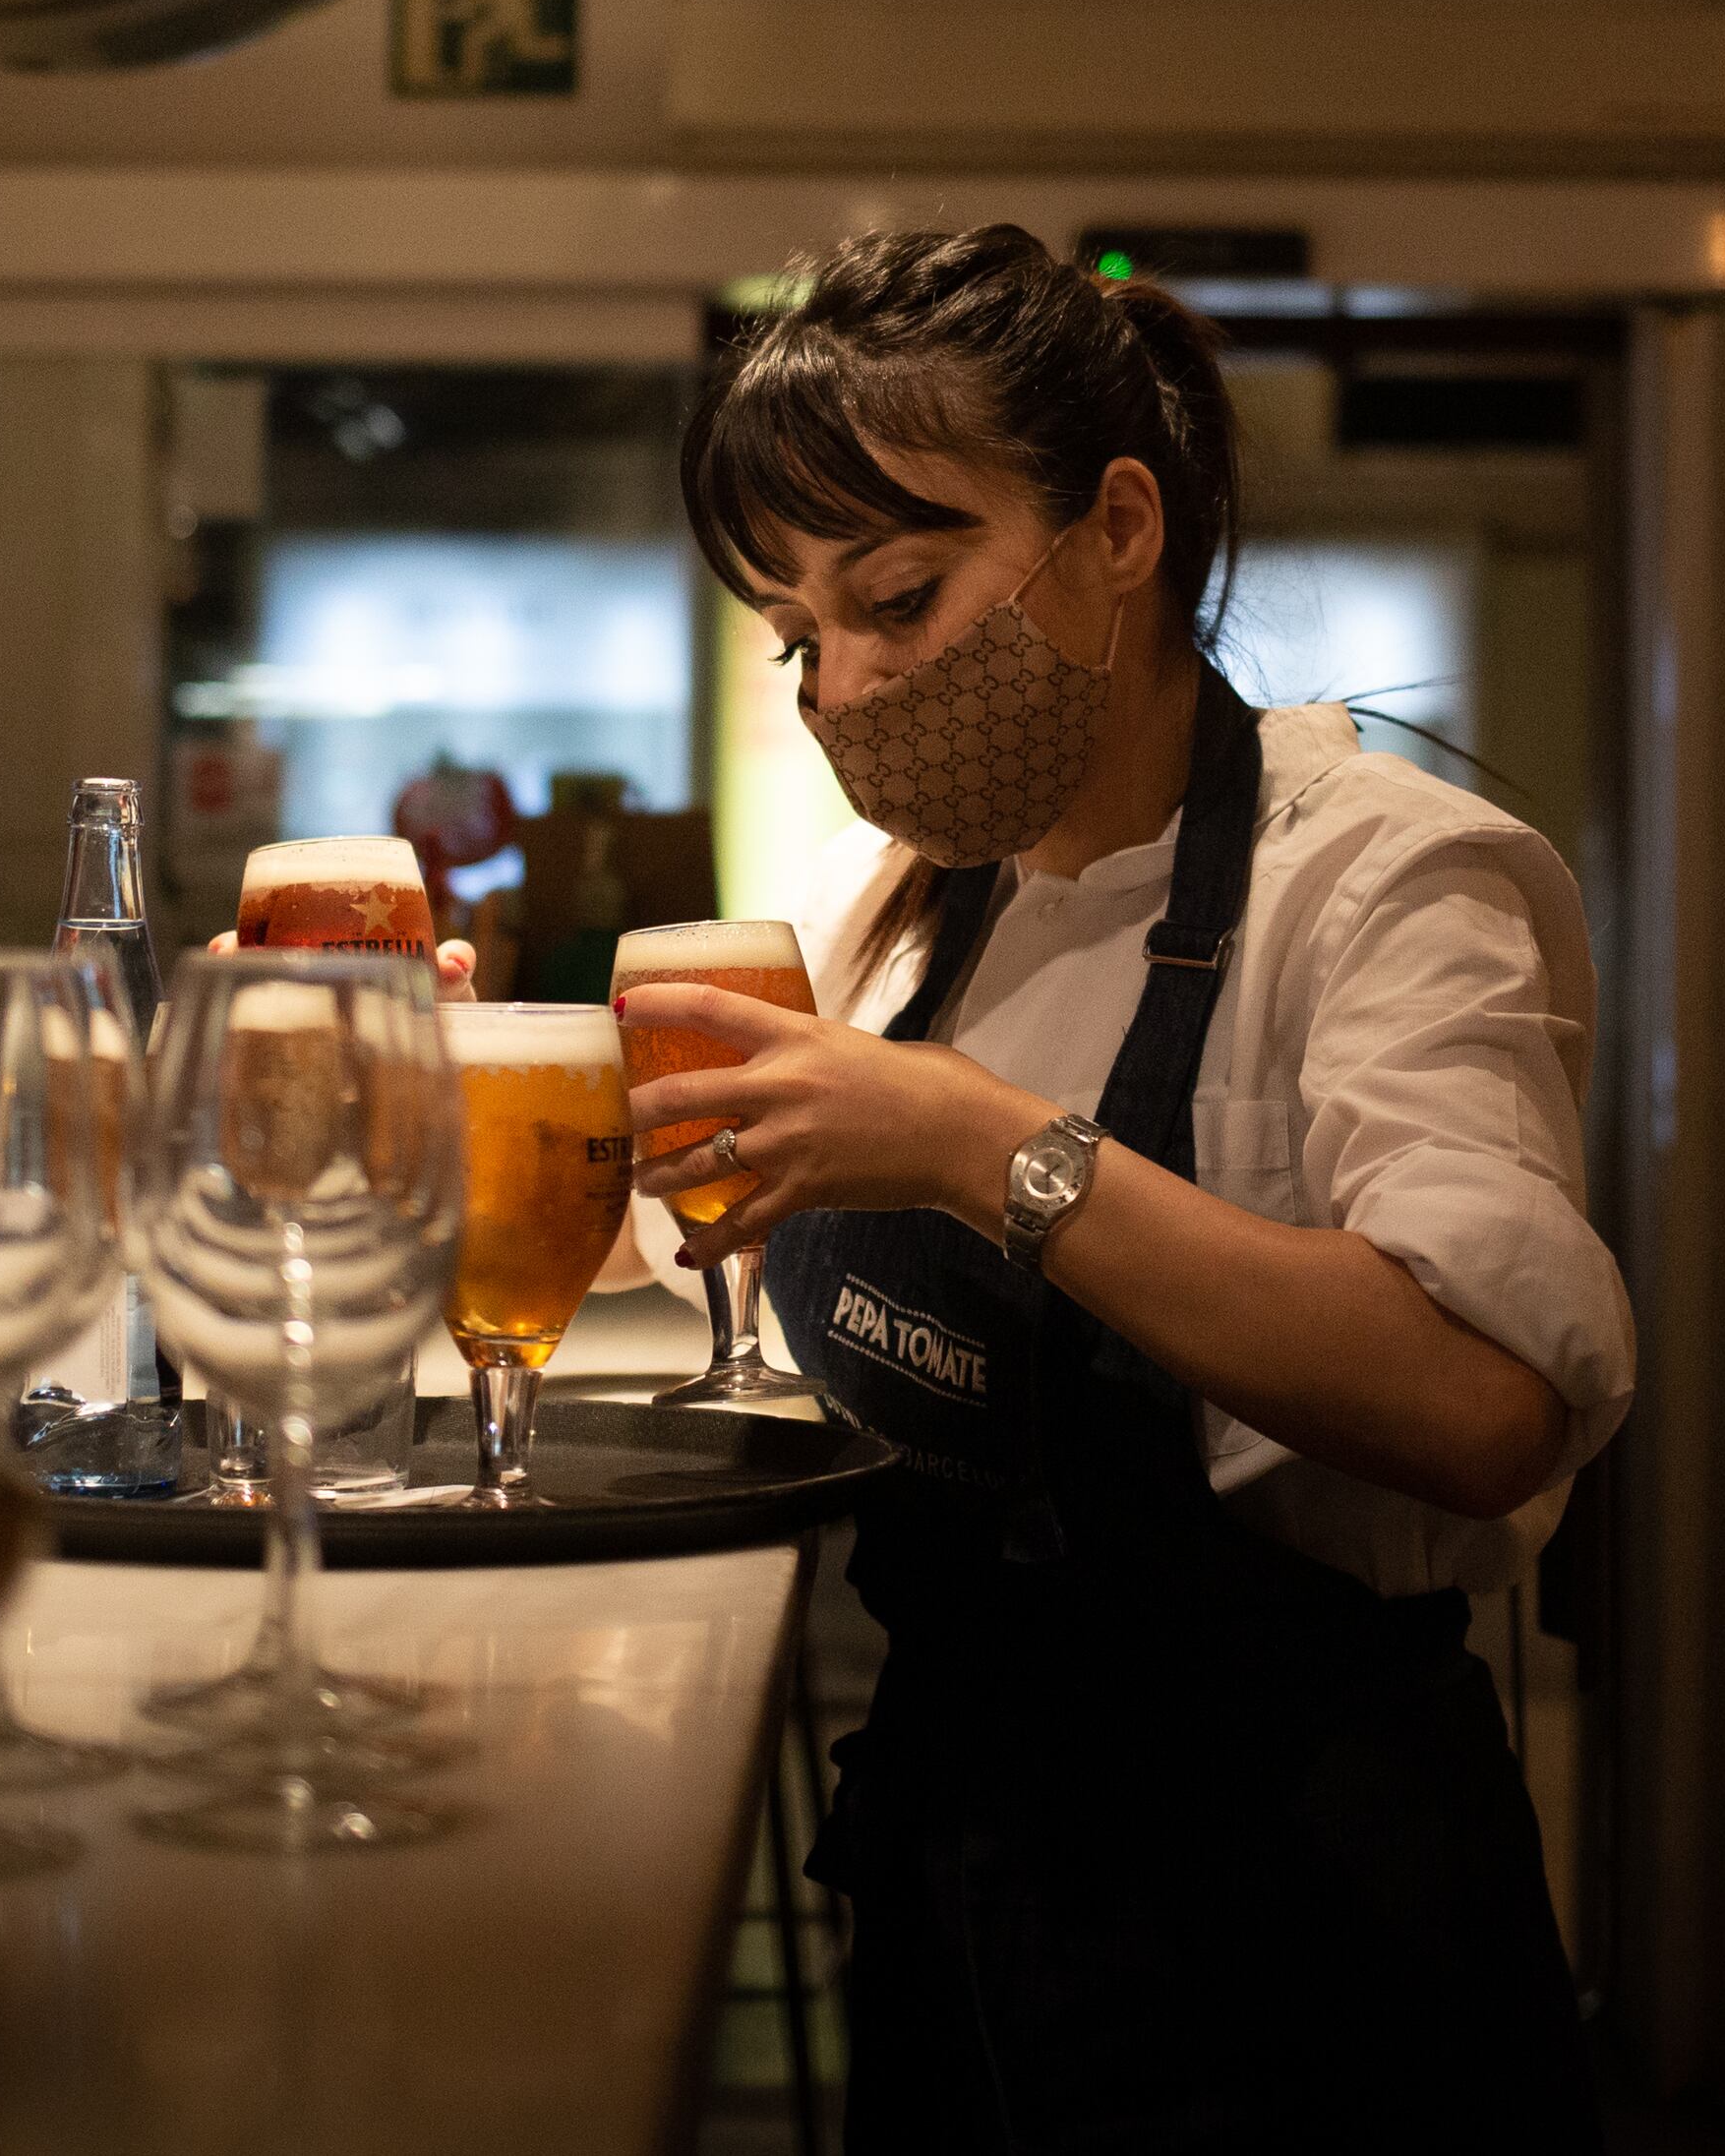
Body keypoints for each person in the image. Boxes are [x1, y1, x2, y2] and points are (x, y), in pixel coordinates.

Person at [617, 224, 1631, 2151]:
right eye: (799, 634)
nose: (845, 687)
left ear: (1118, 528)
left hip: (1300, 1921)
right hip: (962, 1877)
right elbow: (712, 1240)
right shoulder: (902, 914)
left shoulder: (1382, 884)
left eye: (898, 594)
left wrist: (973, 1143)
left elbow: (1485, 1402)